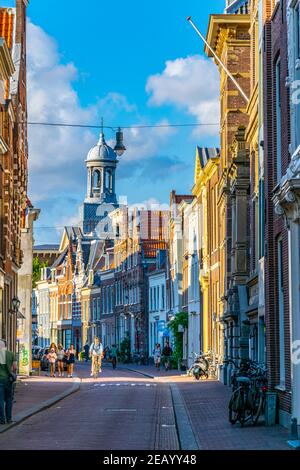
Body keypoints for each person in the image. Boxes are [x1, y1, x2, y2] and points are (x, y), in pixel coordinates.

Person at [0, 340, 17, 425]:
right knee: (9, 399)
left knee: (0, 400)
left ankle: (2, 420)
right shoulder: (11, 354)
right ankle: (9, 419)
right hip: (8, 380)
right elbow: (14, 367)